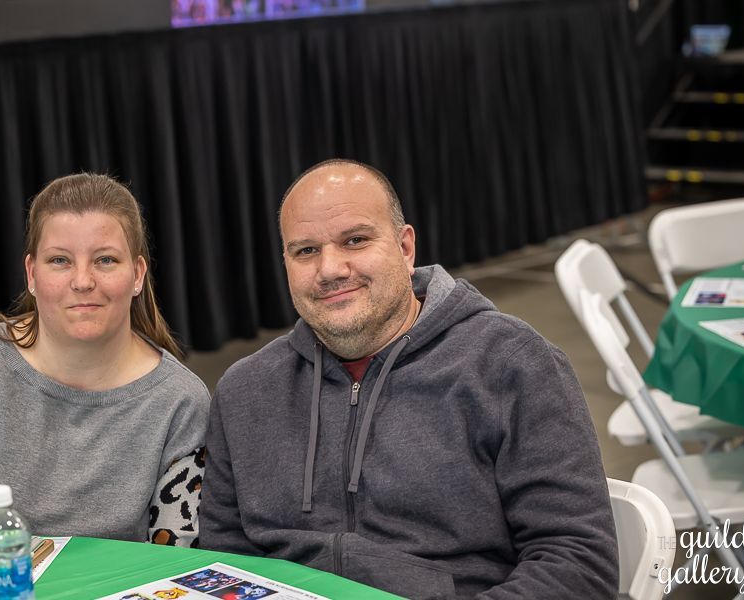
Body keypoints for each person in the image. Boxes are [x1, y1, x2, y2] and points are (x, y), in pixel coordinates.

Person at [199, 159, 618, 598]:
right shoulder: (245, 391)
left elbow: (578, 561)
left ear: (404, 247)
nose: (330, 269)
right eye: (306, 251)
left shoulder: (511, 364)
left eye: (355, 240)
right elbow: (224, 563)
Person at [0, 173, 210, 546]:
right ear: (32, 274)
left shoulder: (181, 403)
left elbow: (176, 562)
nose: (83, 281)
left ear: (137, 275)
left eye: (105, 260)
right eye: (60, 261)